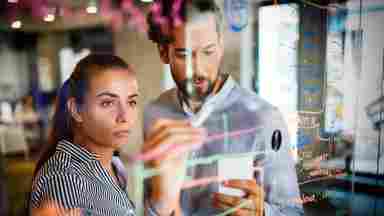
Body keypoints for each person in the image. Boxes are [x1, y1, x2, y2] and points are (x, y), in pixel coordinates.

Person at [144, 0, 303, 215]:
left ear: (220, 45)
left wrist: (263, 213)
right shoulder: (155, 114)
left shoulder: (264, 118)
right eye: (183, 54)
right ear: (164, 52)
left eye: (208, 52)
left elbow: (293, 211)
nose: (198, 69)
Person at [29, 54, 205, 216]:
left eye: (131, 102)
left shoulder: (114, 165)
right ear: (76, 110)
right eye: (107, 103)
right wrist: (160, 203)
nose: (124, 116)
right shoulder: (65, 181)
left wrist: (167, 199)